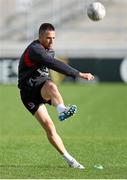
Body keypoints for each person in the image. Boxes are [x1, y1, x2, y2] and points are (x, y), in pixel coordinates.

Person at [18, 23, 94, 169]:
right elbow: (54, 63)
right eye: (48, 38)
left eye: (53, 38)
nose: (52, 41)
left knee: (52, 86)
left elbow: (50, 65)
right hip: (28, 93)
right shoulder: (35, 50)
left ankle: (61, 111)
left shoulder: (49, 49)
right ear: (40, 36)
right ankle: (70, 159)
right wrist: (78, 74)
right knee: (49, 127)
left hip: (42, 87)